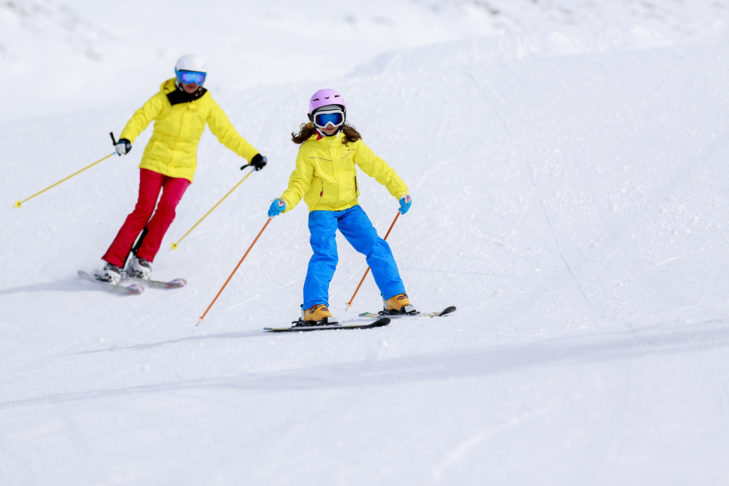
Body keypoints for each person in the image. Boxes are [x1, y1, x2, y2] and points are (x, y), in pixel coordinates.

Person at [98, 54, 267, 283]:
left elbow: (226, 133)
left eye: (198, 77)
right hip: (154, 162)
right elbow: (141, 117)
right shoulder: (163, 98)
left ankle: (142, 259)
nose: (192, 83)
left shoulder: (207, 104)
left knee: (167, 209)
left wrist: (253, 155)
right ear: (177, 75)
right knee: (144, 209)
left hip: (183, 168)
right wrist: (126, 138)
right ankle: (114, 263)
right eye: (187, 76)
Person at [267, 88, 415, 325]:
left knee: (376, 246)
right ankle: (313, 308)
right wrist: (285, 202)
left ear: (343, 117)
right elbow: (299, 183)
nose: (328, 125)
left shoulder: (351, 143)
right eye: (321, 119)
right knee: (325, 255)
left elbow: (377, 167)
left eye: (334, 117)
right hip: (322, 211)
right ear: (312, 120)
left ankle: (394, 298)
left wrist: (400, 191)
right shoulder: (309, 150)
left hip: (350, 208)